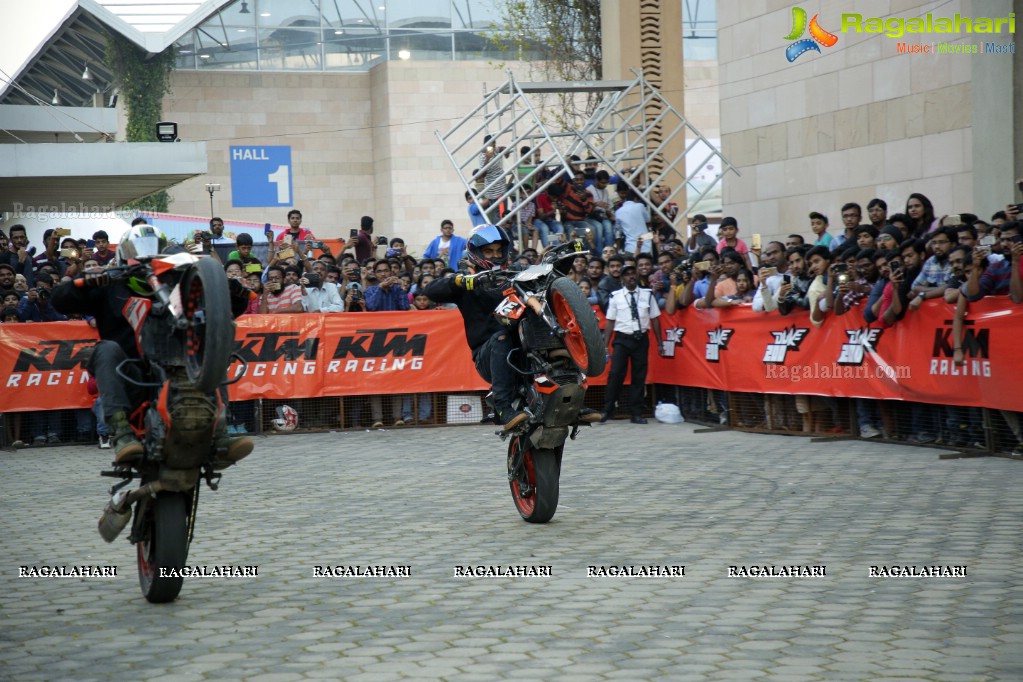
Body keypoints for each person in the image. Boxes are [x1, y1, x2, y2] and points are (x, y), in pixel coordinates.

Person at [50, 224, 253, 466]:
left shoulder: (177, 284)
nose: (146, 256)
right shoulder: (109, 285)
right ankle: (122, 434)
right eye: (138, 250)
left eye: (153, 249)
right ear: (124, 254)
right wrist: (86, 281)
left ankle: (220, 432)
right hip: (130, 374)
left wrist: (230, 290)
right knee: (105, 349)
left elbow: (221, 313)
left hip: (180, 370)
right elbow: (59, 301)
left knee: (209, 342)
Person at [600, 264, 664, 424]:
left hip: (641, 339)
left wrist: (660, 343)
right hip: (622, 338)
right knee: (615, 374)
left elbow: (655, 318)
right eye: (627, 274)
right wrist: (605, 345)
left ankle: (636, 413)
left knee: (639, 376)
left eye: (632, 273)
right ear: (622, 278)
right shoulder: (616, 296)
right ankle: (607, 410)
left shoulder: (648, 295)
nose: (631, 277)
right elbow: (610, 321)